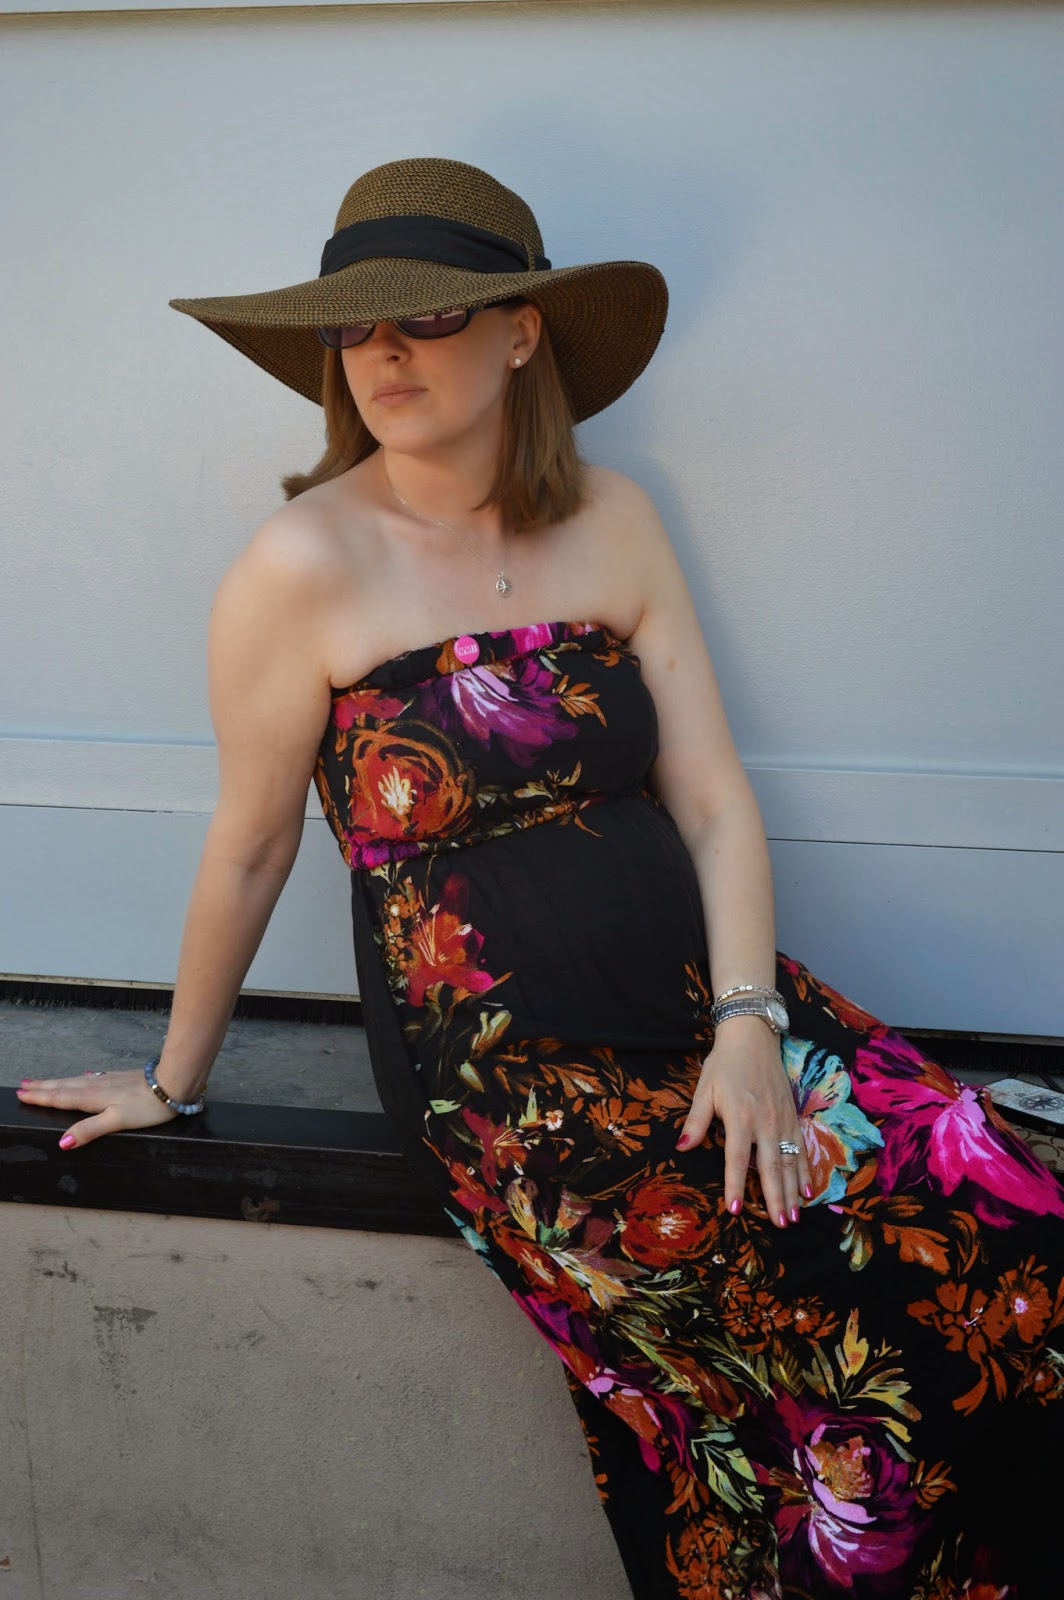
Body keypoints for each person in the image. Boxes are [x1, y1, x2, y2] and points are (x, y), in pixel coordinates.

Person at [17, 157, 1064, 1599]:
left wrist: (750, 1024)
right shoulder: (299, 563)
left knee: (1025, 1231)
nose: (385, 353)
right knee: (835, 1373)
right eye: (356, 325)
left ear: (522, 332)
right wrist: (173, 1078)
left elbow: (710, 797)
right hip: (515, 1092)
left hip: (714, 1014)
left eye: (430, 316)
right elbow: (251, 842)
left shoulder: (615, 519)